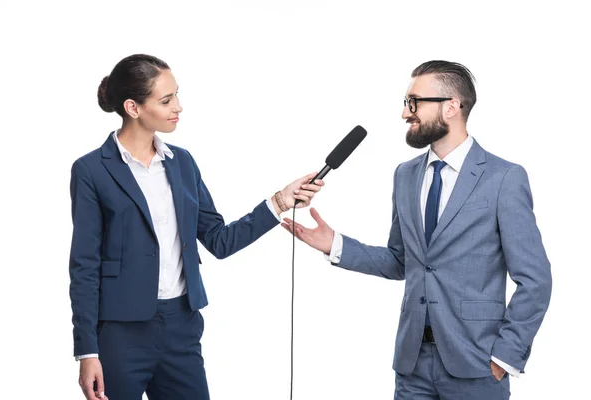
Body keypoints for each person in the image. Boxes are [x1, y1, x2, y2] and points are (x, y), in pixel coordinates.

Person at [281, 60, 551, 399]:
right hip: (412, 365)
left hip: (477, 363)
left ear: (452, 106)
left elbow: (536, 279)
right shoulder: (404, 175)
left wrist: (505, 356)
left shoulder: (504, 178)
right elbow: (401, 261)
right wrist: (334, 244)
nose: (405, 113)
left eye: (414, 102)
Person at [69, 53, 325, 400]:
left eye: (176, 94)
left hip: (181, 325)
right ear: (133, 107)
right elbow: (84, 266)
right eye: (166, 99)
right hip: (120, 333)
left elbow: (219, 240)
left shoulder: (182, 163)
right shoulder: (91, 171)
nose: (179, 106)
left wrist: (280, 200)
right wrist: (87, 351)